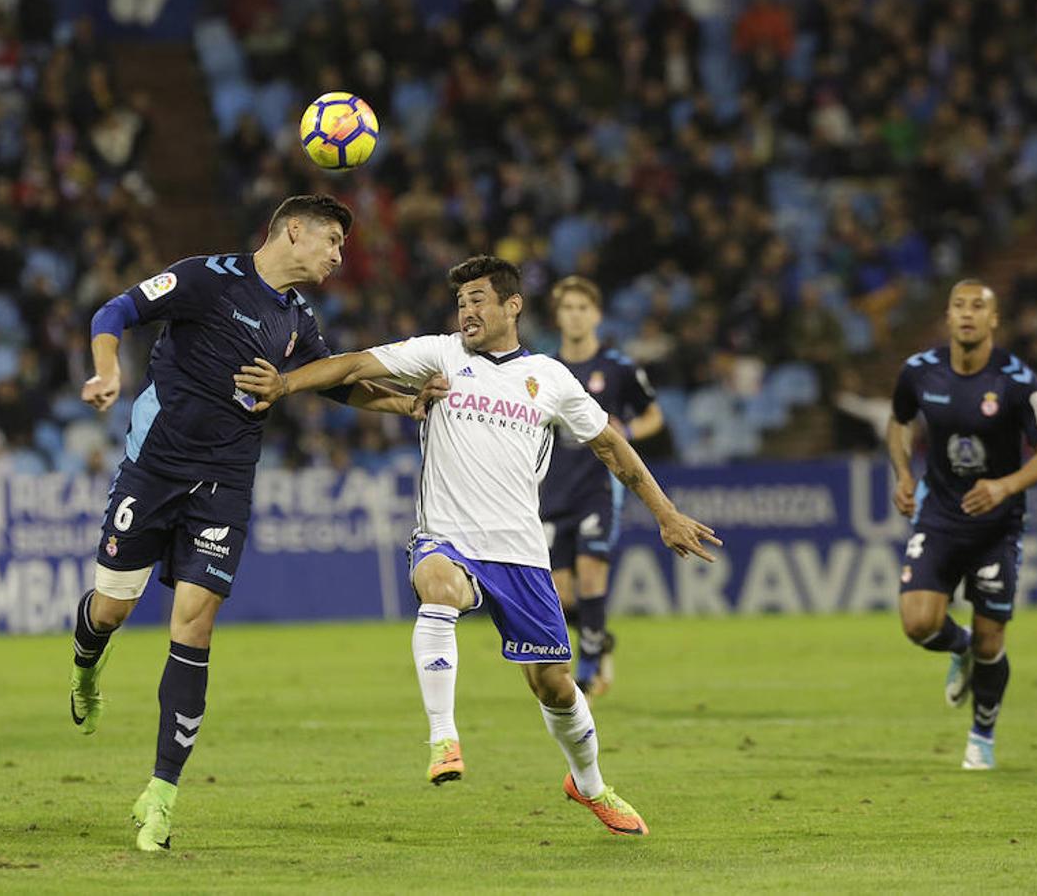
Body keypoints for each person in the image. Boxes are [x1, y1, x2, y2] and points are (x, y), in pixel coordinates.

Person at [234, 255, 721, 836]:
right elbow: (355, 364)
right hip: (447, 536)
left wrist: (666, 515)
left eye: (478, 301)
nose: (466, 311)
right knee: (437, 588)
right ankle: (444, 738)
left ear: (512, 306)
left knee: (555, 684)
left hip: (519, 550)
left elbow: (612, 446)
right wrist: (286, 384)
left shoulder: (550, 378)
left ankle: (588, 785)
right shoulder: (440, 355)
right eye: (460, 302)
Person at [72, 194, 444, 851]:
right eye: (331, 241)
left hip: (225, 486)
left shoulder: (298, 318)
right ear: (292, 232)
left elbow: (337, 383)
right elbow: (116, 311)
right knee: (110, 609)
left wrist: (409, 402)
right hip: (152, 474)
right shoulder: (205, 278)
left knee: (194, 622)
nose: (337, 256)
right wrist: (106, 370)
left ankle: (160, 794)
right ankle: (85, 665)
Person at [888, 280, 1037, 770]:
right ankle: (958, 646)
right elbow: (899, 421)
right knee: (918, 623)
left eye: (978, 307)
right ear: (947, 317)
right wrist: (904, 473)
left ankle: (981, 738)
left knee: (993, 641)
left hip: (997, 526)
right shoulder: (920, 372)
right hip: (940, 516)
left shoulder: (1017, 380)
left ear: (994, 321)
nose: (967, 314)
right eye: (959, 306)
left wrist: (1005, 486)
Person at [538, 275, 663, 698]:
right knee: (561, 593)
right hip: (552, 489)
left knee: (592, 575)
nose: (574, 315)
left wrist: (626, 428)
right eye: (567, 308)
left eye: (582, 308)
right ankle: (598, 637)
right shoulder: (543, 370)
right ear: (557, 316)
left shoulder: (618, 368)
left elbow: (654, 416)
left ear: (596, 315)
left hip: (599, 487)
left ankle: (588, 667)